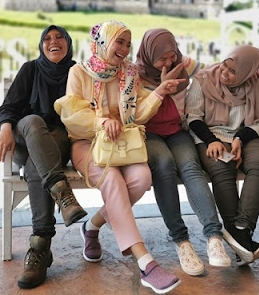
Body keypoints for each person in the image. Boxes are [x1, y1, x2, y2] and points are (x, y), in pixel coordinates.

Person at [55, 20, 184, 294]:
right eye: (119, 42)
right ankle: (146, 263)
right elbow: (72, 115)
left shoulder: (130, 73)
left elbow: (137, 114)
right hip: (87, 144)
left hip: (123, 142)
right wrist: (101, 122)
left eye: (128, 43)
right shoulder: (79, 72)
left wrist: (159, 92)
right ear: (103, 41)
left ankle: (92, 226)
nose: (125, 49)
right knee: (112, 180)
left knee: (142, 179)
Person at [0, 25, 87, 289]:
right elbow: (9, 106)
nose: (53, 42)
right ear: (41, 45)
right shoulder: (30, 69)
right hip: (25, 135)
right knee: (34, 121)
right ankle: (62, 193)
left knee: (38, 166)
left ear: (68, 43)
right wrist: (6, 129)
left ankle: (40, 247)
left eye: (59, 37)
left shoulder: (77, 72)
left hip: (58, 141)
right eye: (47, 38)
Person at [135, 29, 230, 276]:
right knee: (165, 166)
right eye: (162, 59)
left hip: (177, 130)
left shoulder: (182, 63)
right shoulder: (135, 74)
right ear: (149, 54)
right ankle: (181, 240)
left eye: (172, 55)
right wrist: (161, 90)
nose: (169, 62)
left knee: (190, 167)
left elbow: (215, 68)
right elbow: (136, 115)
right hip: (148, 132)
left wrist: (253, 72)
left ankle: (214, 236)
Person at [185, 45, 259, 265]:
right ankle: (242, 242)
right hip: (210, 136)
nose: (225, 73)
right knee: (223, 169)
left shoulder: (257, 85)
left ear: (247, 73)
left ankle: (240, 230)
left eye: (234, 71)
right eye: (225, 65)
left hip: (245, 136)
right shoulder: (203, 80)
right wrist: (211, 141)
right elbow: (193, 117)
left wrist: (240, 139)